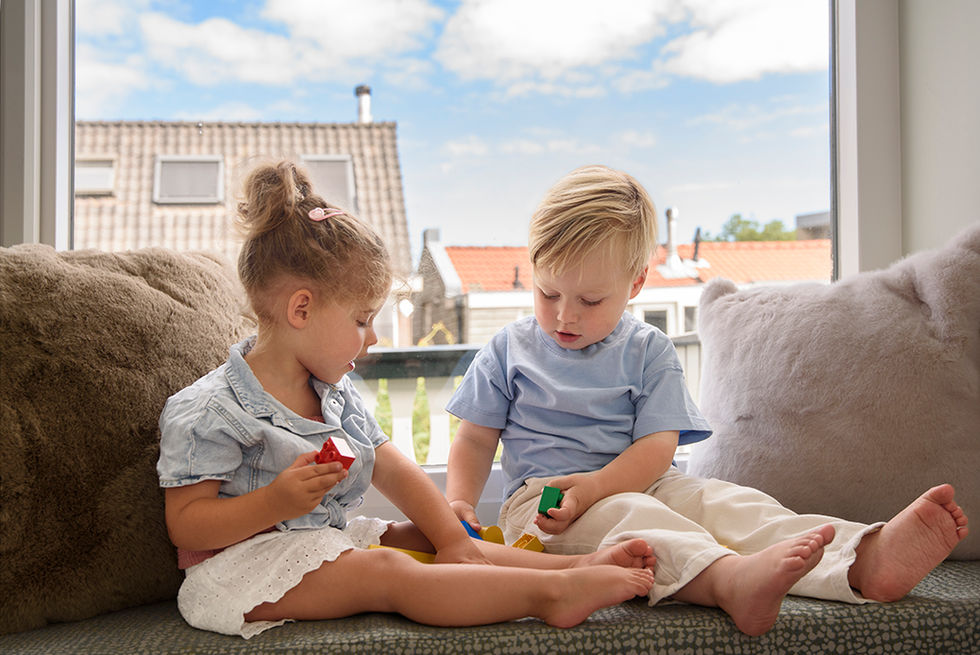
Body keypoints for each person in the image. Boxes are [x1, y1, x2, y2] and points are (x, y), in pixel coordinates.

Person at [445, 164, 970, 636]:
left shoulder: (648, 349)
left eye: (589, 300)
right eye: (548, 293)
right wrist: (458, 503)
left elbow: (656, 447)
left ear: (635, 284)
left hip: (650, 480)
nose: (565, 316)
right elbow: (473, 436)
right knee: (635, 518)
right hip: (547, 507)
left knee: (731, 503)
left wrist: (599, 484)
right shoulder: (509, 350)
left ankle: (861, 558)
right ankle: (729, 582)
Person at [156, 161, 656, 639]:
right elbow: (187, 527)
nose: (372, 338)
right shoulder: (211, 409)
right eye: (360, 320)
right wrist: (276, 501)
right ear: (301, 309)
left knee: (423, 534)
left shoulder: (332, 395)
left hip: (318, 543)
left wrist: (453, 539)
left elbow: (392, 469)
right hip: (241, 573)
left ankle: (573, 565)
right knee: (386, 568)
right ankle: (550, 594)